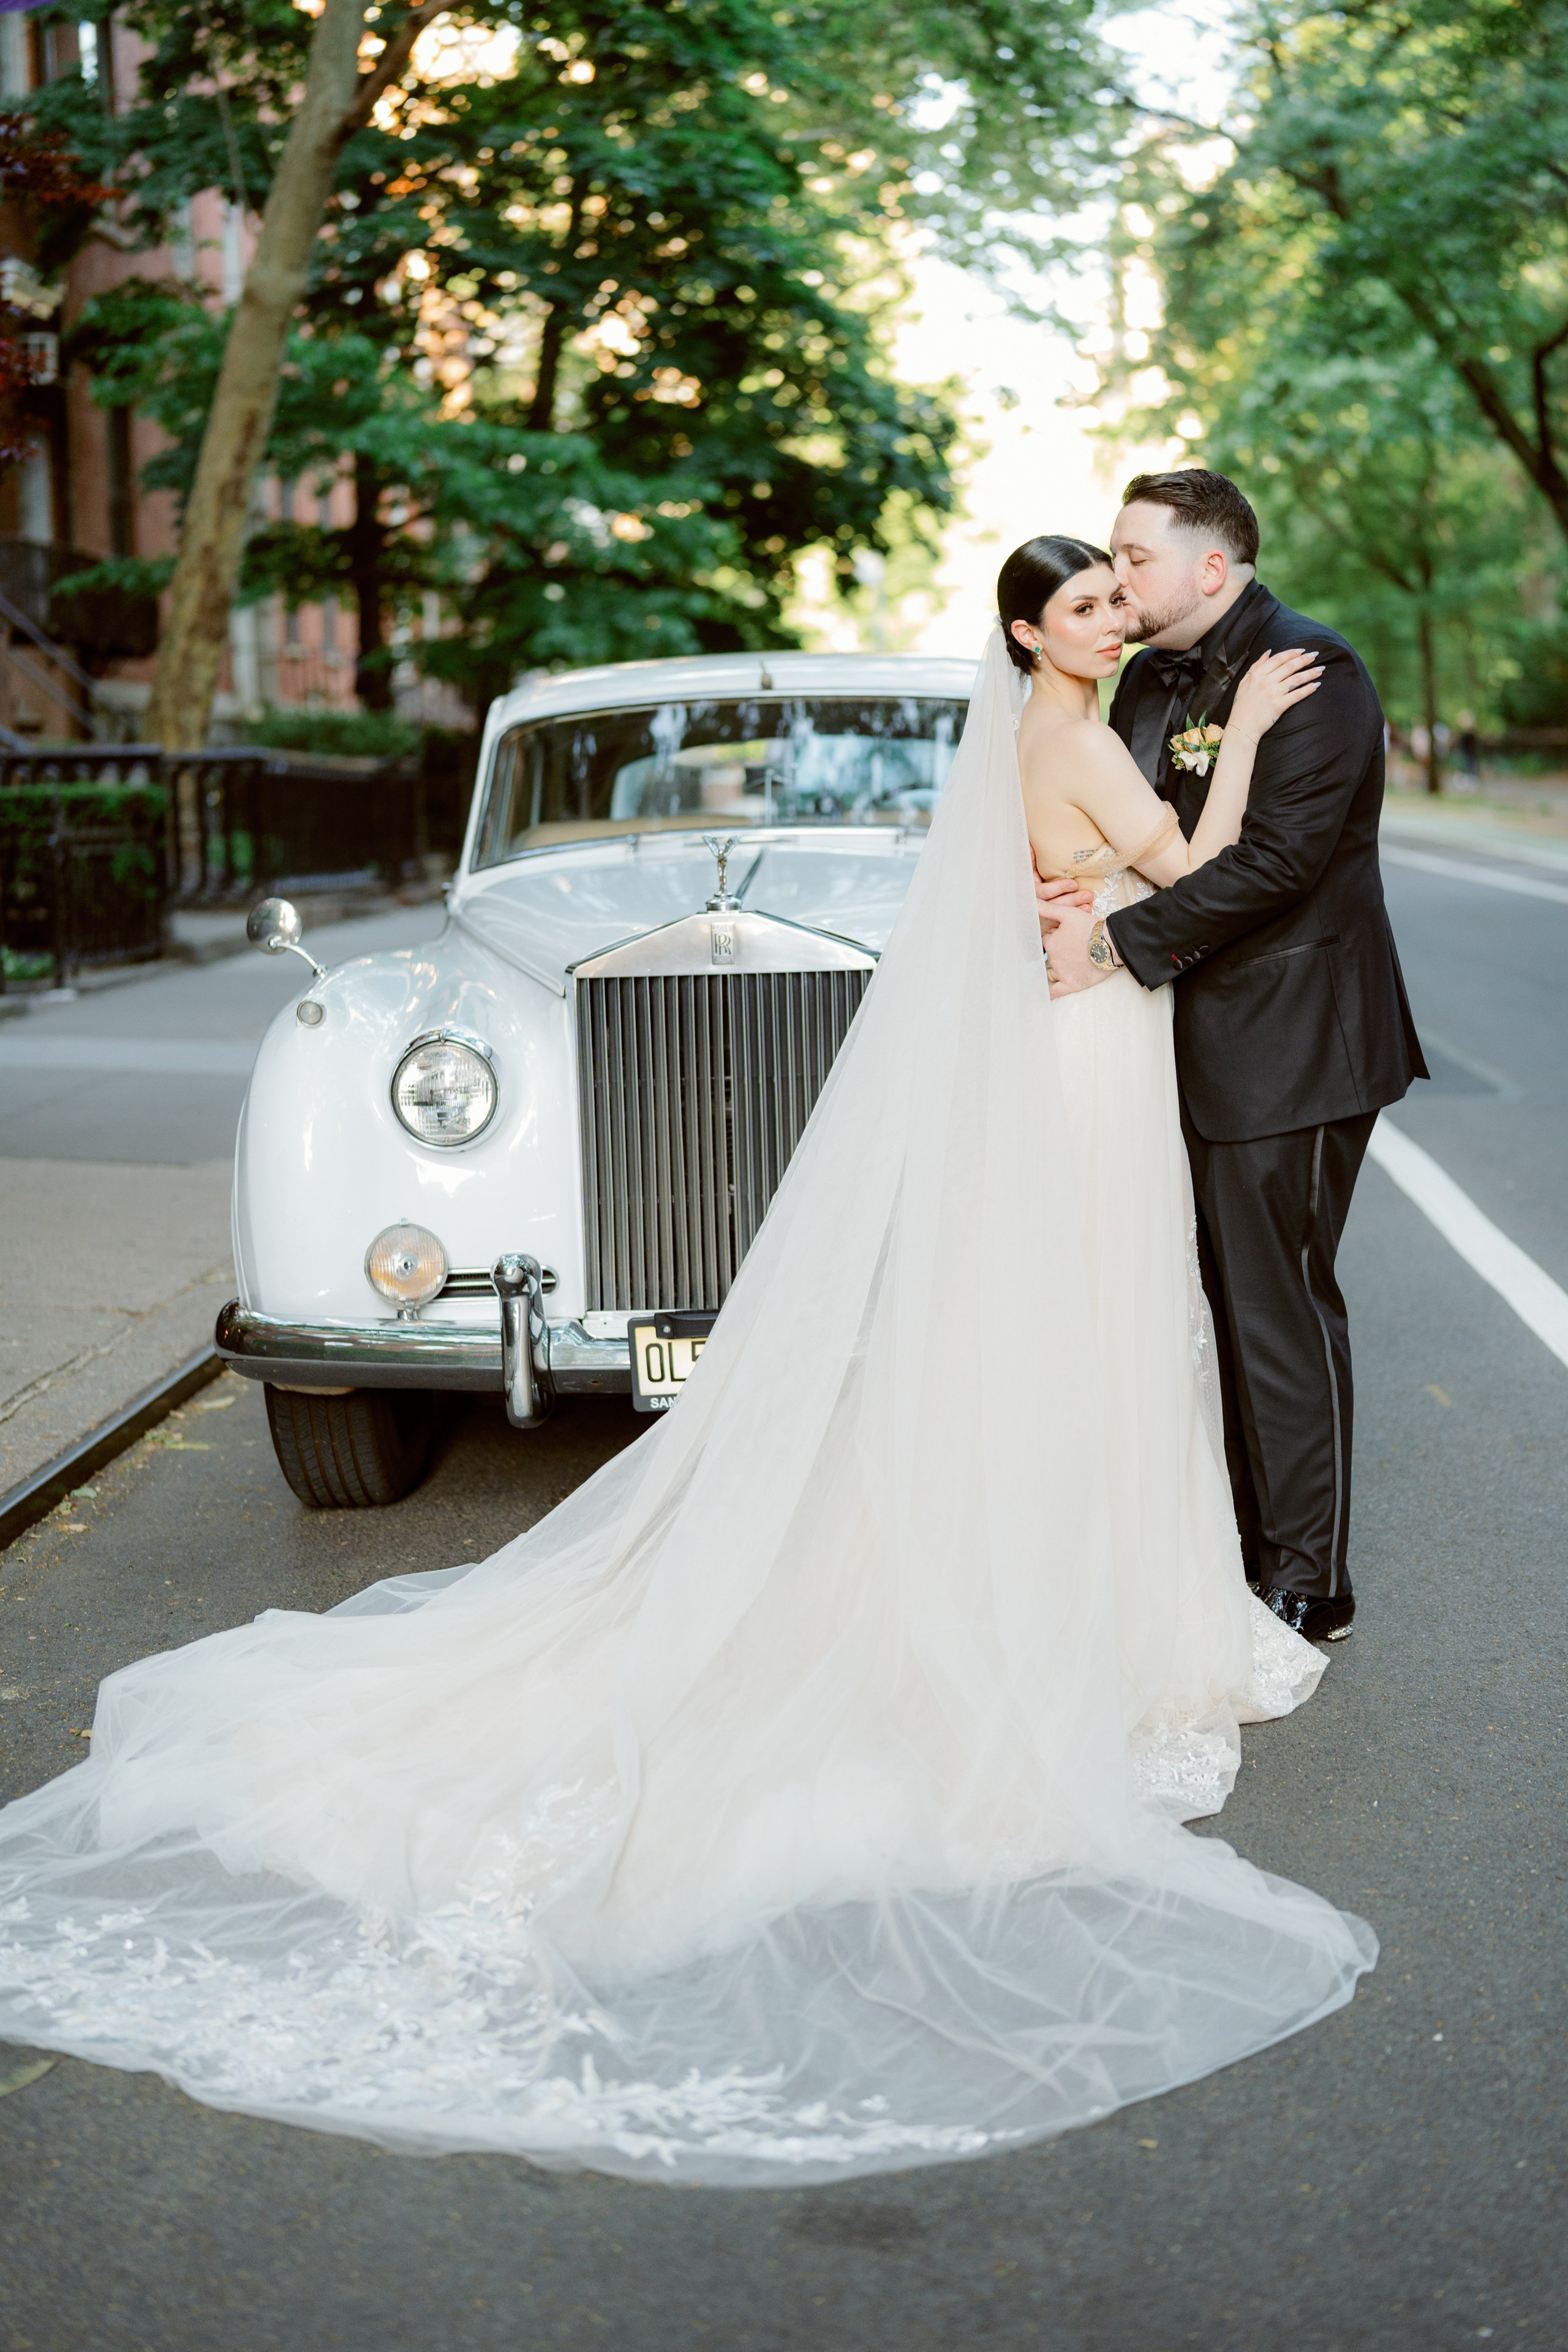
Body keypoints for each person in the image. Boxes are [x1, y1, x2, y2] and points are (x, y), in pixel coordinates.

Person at [0, 561, 1376, 2187]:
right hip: (1088, 1033)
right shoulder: (1064, 740)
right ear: (1028, 636)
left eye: (1114, 601)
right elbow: (1161, 870)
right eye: (1084, 606)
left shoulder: (1029, 735)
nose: (1113, 620)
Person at [1041, 472, 1428, 1643]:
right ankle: (1235, 1547)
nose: (1117, 579)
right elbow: (1140, 822)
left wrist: (1109, 941)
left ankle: (1309, 1581)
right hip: (1171, 1041)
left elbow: (1278, 864)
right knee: (1206, 1301)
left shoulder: (1317, 671)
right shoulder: (1148, 674)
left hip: (1293, 1041)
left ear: (1213, 567)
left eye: (1135, 559)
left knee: (1279, 1308)